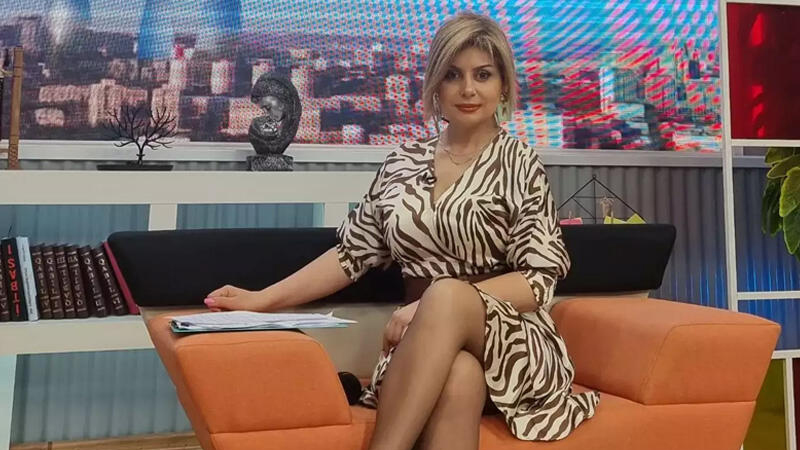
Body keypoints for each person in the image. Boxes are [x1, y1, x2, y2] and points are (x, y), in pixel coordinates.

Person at [204, 12, 599, 450]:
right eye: (453, 75)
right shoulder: (402, 162)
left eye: (483, 75)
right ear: (435, 86)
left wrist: (433, 306)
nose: (468, 89)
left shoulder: (521, 163)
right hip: (421, 348)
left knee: (446, 296)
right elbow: (351, 254)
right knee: (459, 376)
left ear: (503, 85)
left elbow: (538, 280)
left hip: (514, 343)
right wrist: (261, 299)